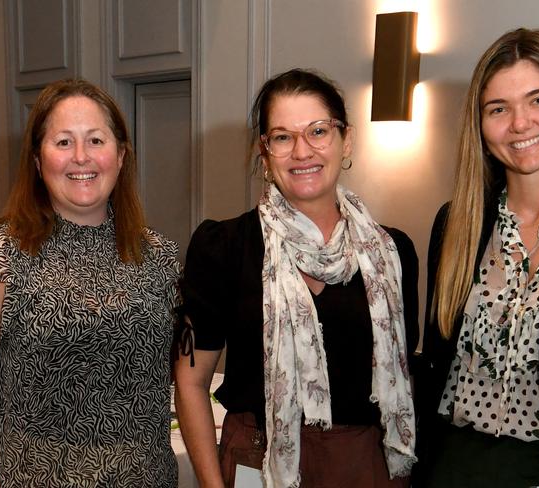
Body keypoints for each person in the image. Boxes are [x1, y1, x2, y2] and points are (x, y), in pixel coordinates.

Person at [174, 68, 419, 488]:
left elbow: (407, 372)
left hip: (364, 464)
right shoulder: (225, 247)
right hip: (257, 456)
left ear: (347, 140)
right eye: (283, 137)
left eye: (318, 131)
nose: (302, 151)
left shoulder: (392, 253)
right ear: (264, 152)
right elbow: (191, 381)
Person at [413, 28, 539, 488]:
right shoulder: (456, 224)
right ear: (480, 124)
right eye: (498, 109)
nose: (520, 123)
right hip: (450, 466)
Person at [0, 79, 181, 487]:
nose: (81, 157)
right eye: (63, 142)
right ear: (37, 159)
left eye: (96, 140)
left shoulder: (160, 256)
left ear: (120, 155)